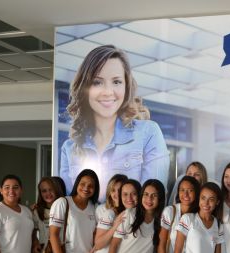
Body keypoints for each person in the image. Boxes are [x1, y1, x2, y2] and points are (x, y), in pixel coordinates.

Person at [59, 44, 169, 198]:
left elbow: (152, 200)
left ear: (126, 86)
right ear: (85, 88)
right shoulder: (69, 148)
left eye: (116, 82)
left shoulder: (148, 133)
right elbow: (71, 204)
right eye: (97, 82)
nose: (108, 92)